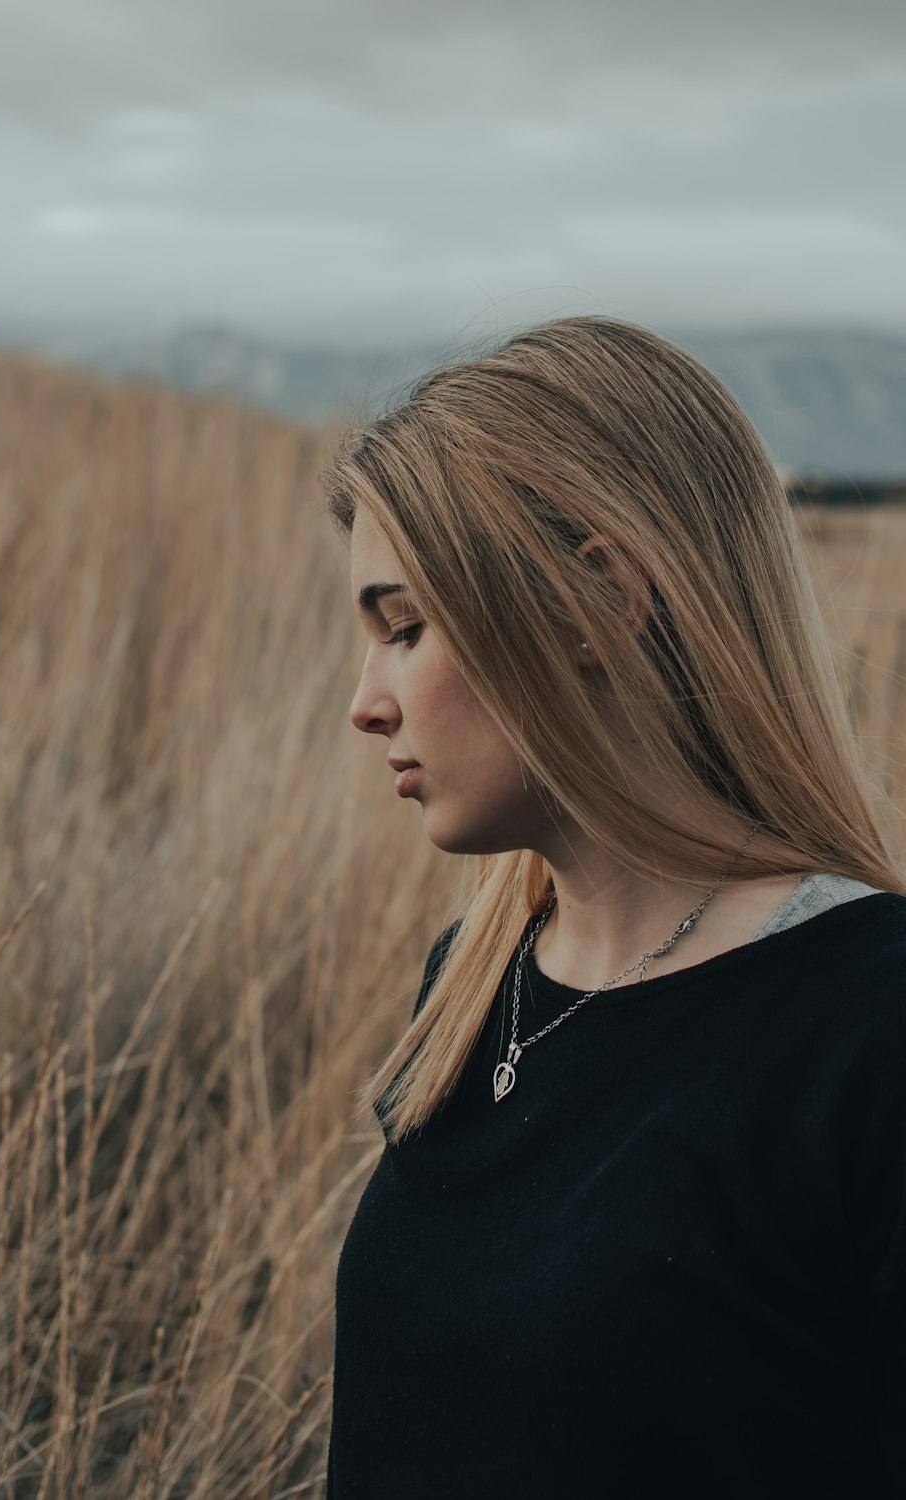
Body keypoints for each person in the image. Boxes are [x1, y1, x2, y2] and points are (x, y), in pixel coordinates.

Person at [318, 316, 906, 1497]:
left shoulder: (871, 1031)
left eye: (406, 627)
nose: (364, 703)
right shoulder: (474, 982)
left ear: (593, 602)